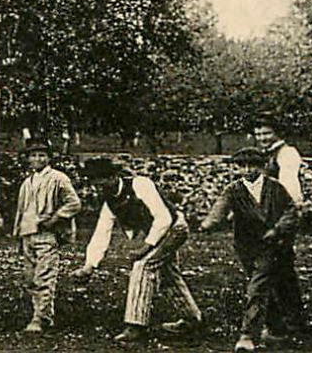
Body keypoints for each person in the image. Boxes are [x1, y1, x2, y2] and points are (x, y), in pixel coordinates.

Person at [71, 157, 202, 343]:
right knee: (168, 274)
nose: (97, 187)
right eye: (93, 182)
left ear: (114, 176)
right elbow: (102, 233)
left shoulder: (140, 184)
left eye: (101, 181)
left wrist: (146, 246)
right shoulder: (109, 202)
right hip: (157, 232)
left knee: (143, 265)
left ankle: (135, 325)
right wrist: (89, 266)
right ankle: (192, 319)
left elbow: (163, 218)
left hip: (175, 227)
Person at [198, 146, 298, 352]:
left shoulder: (274, 188)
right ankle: (278, 329)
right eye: (242, 166)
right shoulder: (233, 189)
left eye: (252, 165)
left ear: (262, 167)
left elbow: (291, 211)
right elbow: (220, 207)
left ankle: (247, 336)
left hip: (272, 246)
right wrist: (208, 223)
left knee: (257, 287)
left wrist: (277, 230)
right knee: (265, 286)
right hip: (246, 247)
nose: (247, 170)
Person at [11, 137, 81, 333]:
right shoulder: (27, 182)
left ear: (49, 158)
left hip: (46, 234)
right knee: (30, 277)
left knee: (45, 275)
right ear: (28, 159)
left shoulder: (58, 178)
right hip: (28, 232)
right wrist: (17, 232)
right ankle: (43, 313)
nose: (37, 159)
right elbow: (21, 209)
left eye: (42, 155)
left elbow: (74, 203)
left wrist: (55, 218)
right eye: (33, 155)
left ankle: (39, 318)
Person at [251, 116, 306, 338]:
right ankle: (281, 323)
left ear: (278, 133)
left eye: (266, 133)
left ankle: (289, 325)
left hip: (280, 218)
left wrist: (282, 223)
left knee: (281, 271)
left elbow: (290, 189)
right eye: (258, 134)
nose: (262, 138)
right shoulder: (267, 155)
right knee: (272, 270)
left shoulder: (287, 154)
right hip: (266, 218)